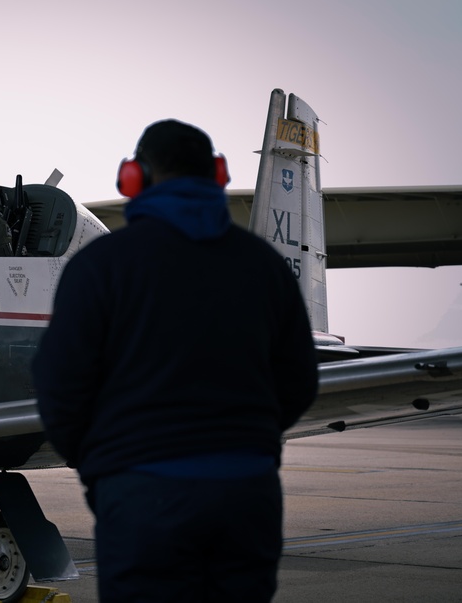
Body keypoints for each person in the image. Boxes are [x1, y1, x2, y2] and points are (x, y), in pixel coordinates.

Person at [31, 119, 319, 601]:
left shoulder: (100, 265)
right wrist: (246, 445)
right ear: (218, 174)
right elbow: (299, 382)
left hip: (141, 494)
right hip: (246, 495)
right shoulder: (262, 265)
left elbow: (59, 388)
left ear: (134, 177)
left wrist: (104, 468)